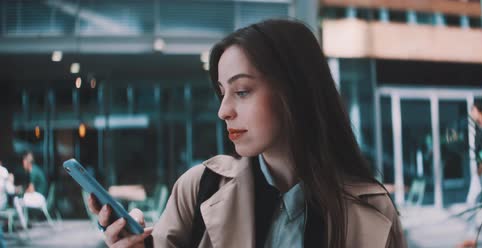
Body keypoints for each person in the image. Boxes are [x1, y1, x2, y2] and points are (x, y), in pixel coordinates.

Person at [88, 19, 406, 248]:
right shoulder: (199, 189)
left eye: (241, 91)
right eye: (221, 92)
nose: (223, 110)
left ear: (295, 91)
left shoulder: (373, 210)